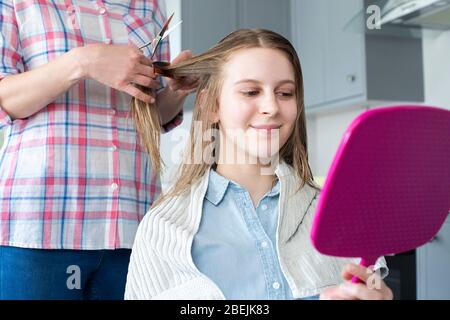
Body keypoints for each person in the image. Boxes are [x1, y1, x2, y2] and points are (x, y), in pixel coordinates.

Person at [124, 29, 393, 300]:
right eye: (251, 91)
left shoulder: (341, 217)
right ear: (211, 106)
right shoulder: (163, 227)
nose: (271, 107)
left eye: (285, 93)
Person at [0, 0, 196, 299]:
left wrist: (175, 92)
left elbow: (151, 116)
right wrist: (82, 62)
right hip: (41, 225)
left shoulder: (150, 6)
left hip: (133, 225)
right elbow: (5, 98)